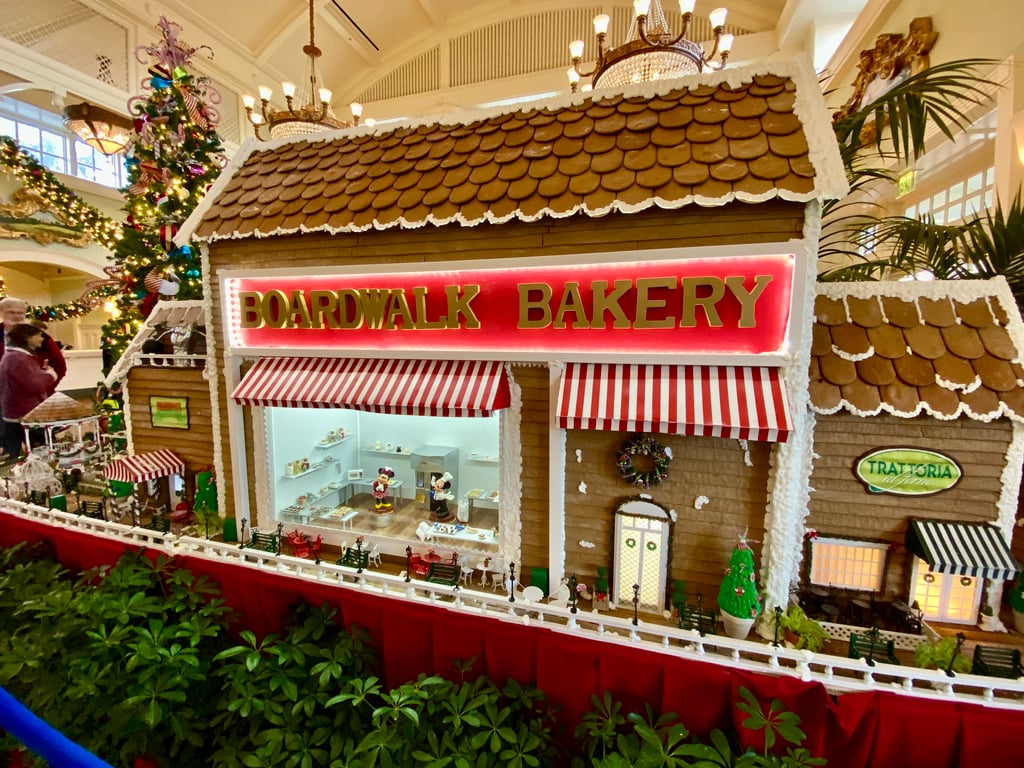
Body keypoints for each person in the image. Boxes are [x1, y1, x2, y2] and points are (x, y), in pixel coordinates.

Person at [1, 323, 59, 460]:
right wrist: (50, 375)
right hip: (26, 415)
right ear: (27, 337)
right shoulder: (18, 358)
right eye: (38, 335)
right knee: (41, 453)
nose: (42, 339)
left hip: (18, 413)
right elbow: (35, 385)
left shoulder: (17, 357)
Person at [0, 298, 66, 392]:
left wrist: (44, 389)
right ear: (1, 313)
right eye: (11, 312)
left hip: (35, 395)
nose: (16, 316)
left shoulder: (41, 337)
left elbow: (60, 366)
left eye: (20, 313)